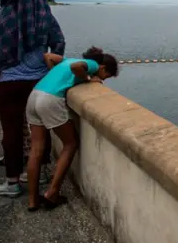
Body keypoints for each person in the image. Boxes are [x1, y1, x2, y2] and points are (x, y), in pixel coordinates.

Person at [0, 0, 65, 197]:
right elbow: (59, 44)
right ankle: (40, 173)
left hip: (7, 84)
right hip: (39, 83)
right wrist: (45, 60)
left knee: (11, 132)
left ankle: (12, 182)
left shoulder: (5, 16)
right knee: (39, 129)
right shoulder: (45, 17)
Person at [26, 46, 119, 211]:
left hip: (35, 95)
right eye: (107, 75)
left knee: (36, 150)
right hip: (50, 100)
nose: (104, 79)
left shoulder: (69, 59)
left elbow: (48, 57)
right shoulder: (92, 64)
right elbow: (76, 69)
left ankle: (32, 201)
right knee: (70, 144)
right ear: (103, 67)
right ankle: (52, 193)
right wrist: (89, 78)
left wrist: (57, 77)